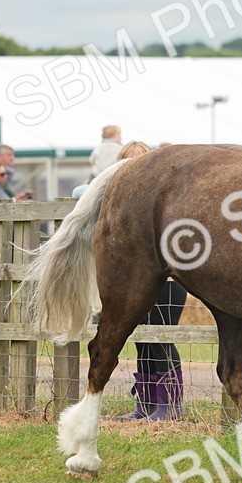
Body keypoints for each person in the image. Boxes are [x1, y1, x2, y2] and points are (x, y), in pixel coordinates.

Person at [77, 140, 187, 421]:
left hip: (169, 281)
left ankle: (169, 405)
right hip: (136, 279)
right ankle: (147, 403)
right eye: (127, 162)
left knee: (161, 337)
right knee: (141, 340)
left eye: (140, 161)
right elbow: (82, 192)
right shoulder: (121, 202)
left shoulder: (166, 201)